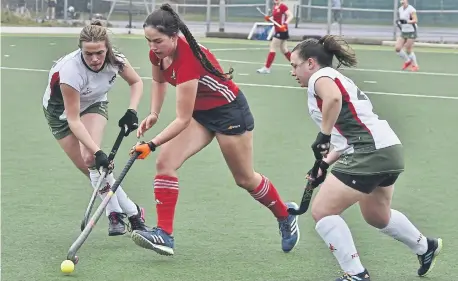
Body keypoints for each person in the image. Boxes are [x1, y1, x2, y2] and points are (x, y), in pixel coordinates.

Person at [128, 3, 300, 257]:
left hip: (229, 113)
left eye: (158, 40)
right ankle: (164, 235)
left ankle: (285, 215)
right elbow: (159, 80)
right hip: (201, 113)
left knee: (245, 179)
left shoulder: (188, 59)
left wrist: (150, 144)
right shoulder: (158, 53)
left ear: (174, 37)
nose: (153, 47)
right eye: (148, 41)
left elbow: (182, 119)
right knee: (165, 162)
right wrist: (153, 113)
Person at [289, 35, 442, 281]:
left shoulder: (320, 77)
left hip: (369, 152)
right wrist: (323, 164)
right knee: (377, 215)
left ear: (310, 63)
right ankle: (425, 247)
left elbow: (334, 99)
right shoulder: (335, 78)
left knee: (322, 211)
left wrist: (323, 135)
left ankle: (356, 274)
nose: (292, 71)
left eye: (294, 65)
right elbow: (345, 137)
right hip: (389, 149)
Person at [42, 21, 149, 236]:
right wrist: (99, 152)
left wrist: (132, 110)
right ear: (80, 49)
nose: (94, 59)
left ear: (107, 48)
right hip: (60, 114)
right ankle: (133, 210)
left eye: (99, 53)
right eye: (88, 53)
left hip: (94, 103)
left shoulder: (116, 60)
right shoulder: (70, 72)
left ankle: (115, 214)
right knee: (92, 168)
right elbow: (73, 120)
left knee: (90, 160)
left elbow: (136, 82)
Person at [257, 0, 294, 74]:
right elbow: (275, 18)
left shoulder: (283, 6)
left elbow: (291, 15)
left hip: (282, 30)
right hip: (278, 30)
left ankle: (267, 68)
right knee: (284, 50)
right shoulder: (275, 7)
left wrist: (285, 24)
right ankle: (297, 66)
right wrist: (269, 18)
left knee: (272, 46)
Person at [395, 0, 419, 71]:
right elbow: (402, 20)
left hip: (411, 31)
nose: (402, 1)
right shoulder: (400, 9)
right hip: (404, 31)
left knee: (408, 49)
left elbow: (415, 20)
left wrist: (407, 22)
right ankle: (407, 61)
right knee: (397, 48)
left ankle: (415, 65)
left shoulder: (411, 9)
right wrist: (400, 22)